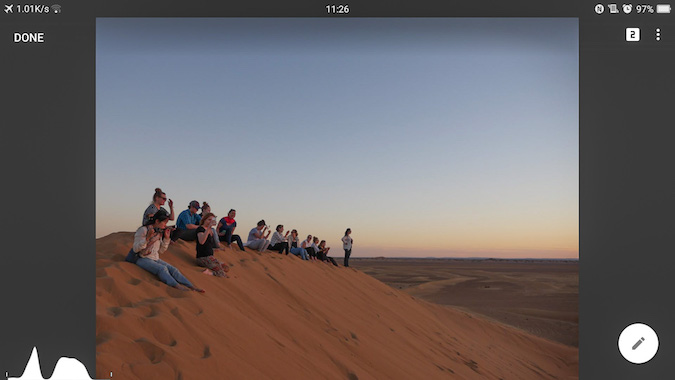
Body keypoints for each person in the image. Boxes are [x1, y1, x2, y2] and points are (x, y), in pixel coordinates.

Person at [125, 209, 204, 292]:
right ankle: (177, 286)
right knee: (162, 269)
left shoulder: (159, 232)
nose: (165, 225)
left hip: (154, 258)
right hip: (141, 258)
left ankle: (191, 286)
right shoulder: (143, 230)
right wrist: (147, 238)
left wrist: (166, 239)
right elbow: (136, 248)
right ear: (157, 221)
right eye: (164, 222)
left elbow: (161, 251)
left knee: (174, 270)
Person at [195, 213, 229, 278]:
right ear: (204, 220)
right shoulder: (200, 229)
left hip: (210, 257)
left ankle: (214, 270)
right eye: (209, 220)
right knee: (220, 272)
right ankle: (210, 273)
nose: (210, 221)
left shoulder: (211, 231)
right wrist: (208, 228)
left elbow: (208, 245)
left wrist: (216, 249)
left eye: (212, 220)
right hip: (202, 258)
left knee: (226, 267)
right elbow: (201, 242)